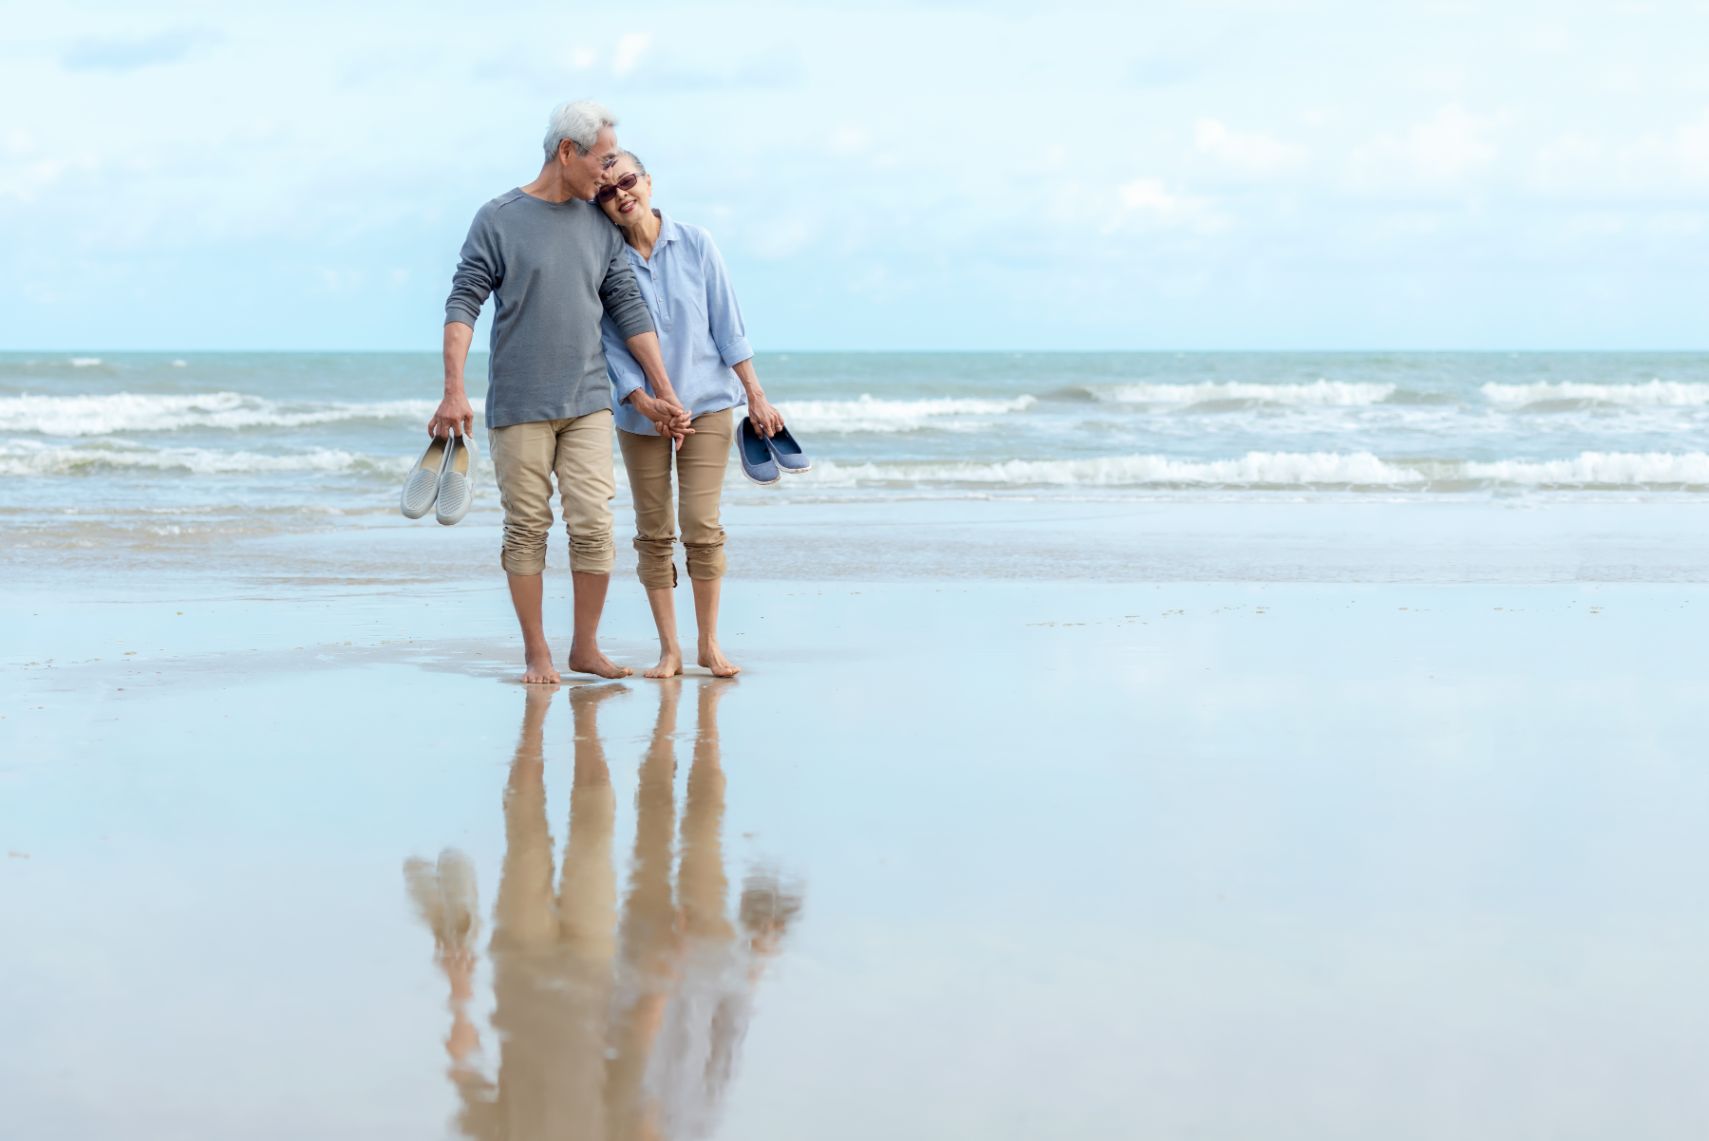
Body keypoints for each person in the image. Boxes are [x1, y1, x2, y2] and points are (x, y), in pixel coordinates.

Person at [432, 100, 693, 685]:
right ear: (567, 153)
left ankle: (585, 648)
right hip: (520, 405)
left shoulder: (600, 225)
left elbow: (627, 304)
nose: (608, 177)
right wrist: (454, 390)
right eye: (602, 162)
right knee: (526, 528)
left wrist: (665, 390)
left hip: (589, 402)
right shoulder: (497, 218)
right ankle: (536, 653)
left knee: (594, 526)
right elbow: (464, 302)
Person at [597, 152, 787, 679]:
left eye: (628, 182)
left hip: (707, 406)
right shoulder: (605, 261)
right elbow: (611, 346)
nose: (621, 195)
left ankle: (707, 644)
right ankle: (669, 650)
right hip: (641, 417)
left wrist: (756, 394)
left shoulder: (697, 243)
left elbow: (728, 326)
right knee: (653, 531)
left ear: (648, 181)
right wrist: (643, 400)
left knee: (701, 525)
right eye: (607, 192)